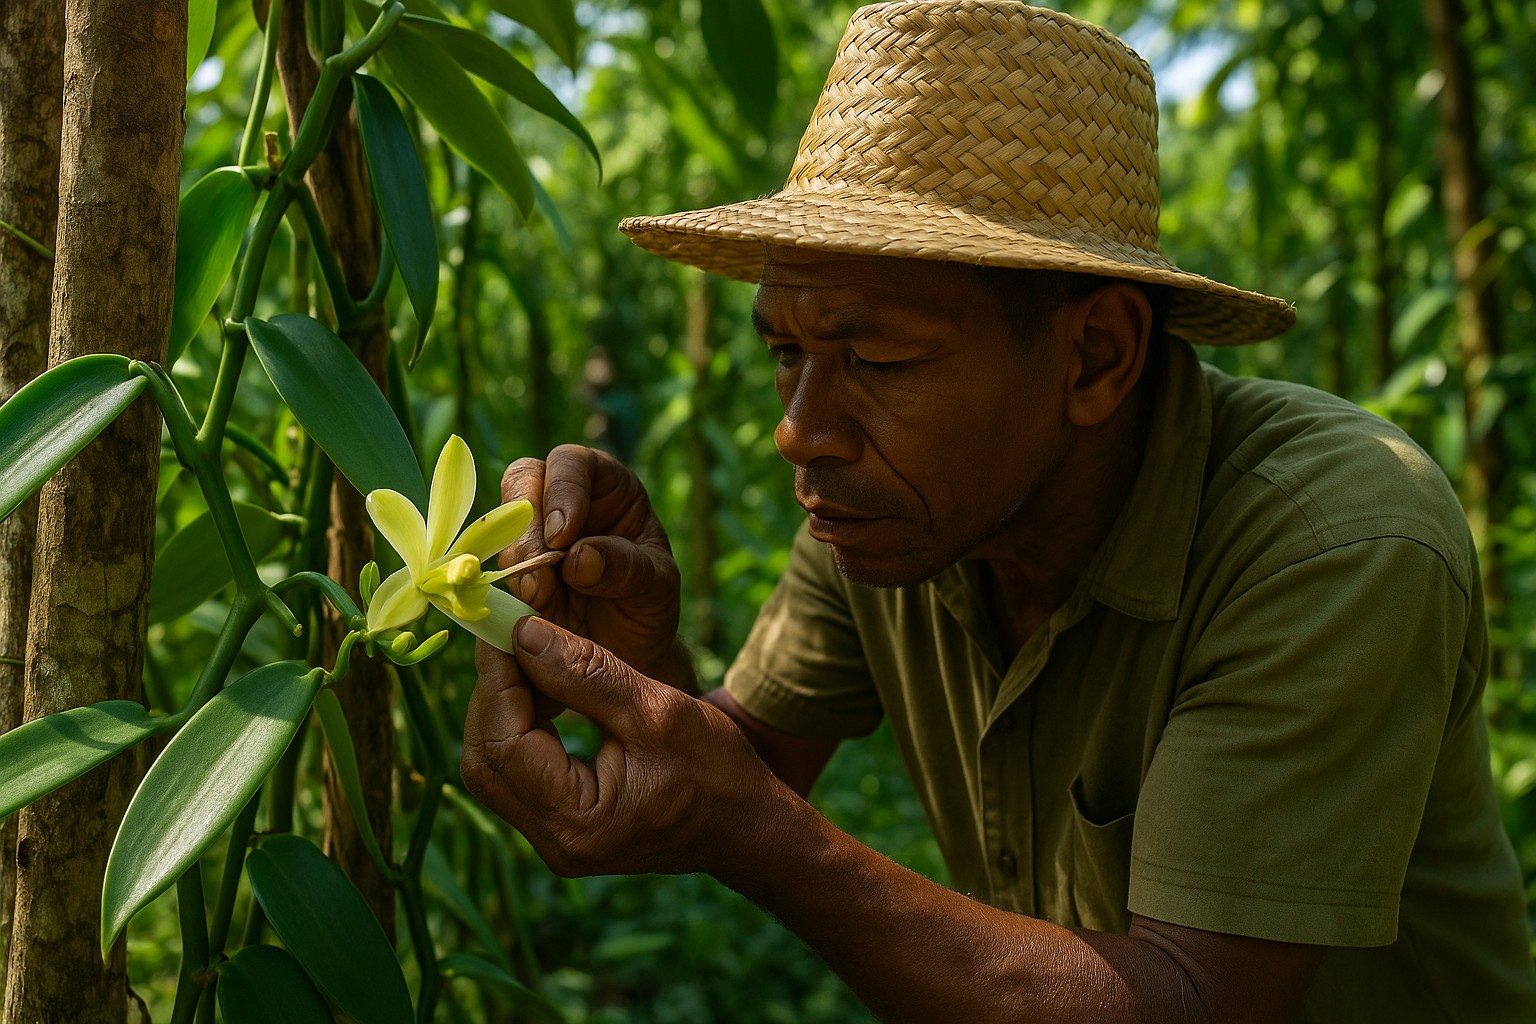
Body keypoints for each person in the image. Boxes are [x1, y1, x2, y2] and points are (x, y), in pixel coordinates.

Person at [460, 3, 1536, 1020]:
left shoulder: (1330, 539)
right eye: (786, 350)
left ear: (1097, 357)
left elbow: (1196, 1000)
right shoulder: (894, 511)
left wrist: (754, 831)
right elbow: (748, 762)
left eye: (875, 355)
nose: (798, 429)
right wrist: (638, 673)